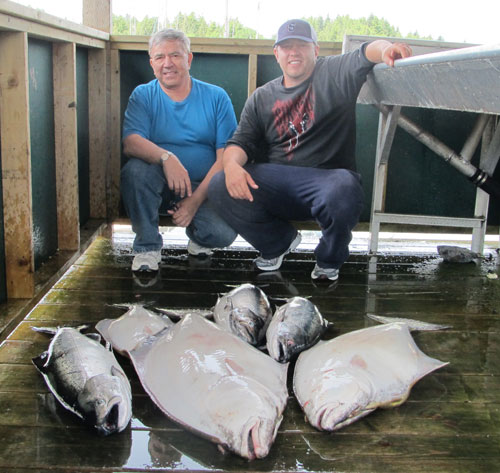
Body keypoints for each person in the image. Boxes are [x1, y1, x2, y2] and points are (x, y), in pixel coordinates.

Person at [208, 19, 412, 281]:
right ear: (277, 54)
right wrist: (232, 166)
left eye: (302, 46)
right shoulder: (261, 96)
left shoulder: (334, 72)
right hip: (278, 184)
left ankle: (328, 260)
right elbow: (241, 142)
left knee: (344, 187)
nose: (294, 52)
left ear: (315, 50)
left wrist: (386, 49)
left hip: (326, 183)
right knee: (219, 182)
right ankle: (277, 243)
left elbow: (366, 51)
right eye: (287, 46)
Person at [121, 28, 238, 272]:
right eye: (160, 57)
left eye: (175, 55)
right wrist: (166, 158)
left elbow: (226, 158)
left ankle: (197, 235)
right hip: (158, 186)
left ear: (189, 58)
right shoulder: (143, 95)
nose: (168, 64)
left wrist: (195, 201)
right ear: (151, 63)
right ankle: (147, 247)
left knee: (222, 234)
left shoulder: (217, 97)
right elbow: (131, 142)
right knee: (135, 171)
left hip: (203, 188)